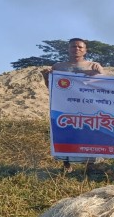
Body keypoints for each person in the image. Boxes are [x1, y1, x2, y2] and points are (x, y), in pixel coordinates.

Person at [41, 38, 104, 173]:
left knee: (89, 134)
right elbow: (52, 88)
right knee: (66, 133)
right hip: (65, 107)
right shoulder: (58, 67)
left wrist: (95, 76)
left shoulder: (94, 66)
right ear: (68, 49)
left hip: (89, 108)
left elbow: (104, 86)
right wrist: (46, 77)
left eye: (80, 47)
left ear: (85, 50)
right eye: (73, 46)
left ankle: (91, 165)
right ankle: (66, 164)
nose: (77, 49)